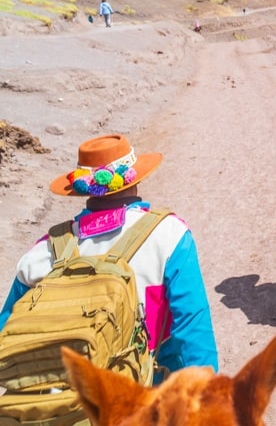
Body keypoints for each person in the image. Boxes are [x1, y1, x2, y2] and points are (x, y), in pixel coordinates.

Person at [0, 134, 219, 379]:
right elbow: (192, 328)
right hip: (144, 396)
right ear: (134, 180)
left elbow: (8, 334)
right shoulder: (170, 235)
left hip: (69, 402)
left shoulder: (44, 251)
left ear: (83, 189)